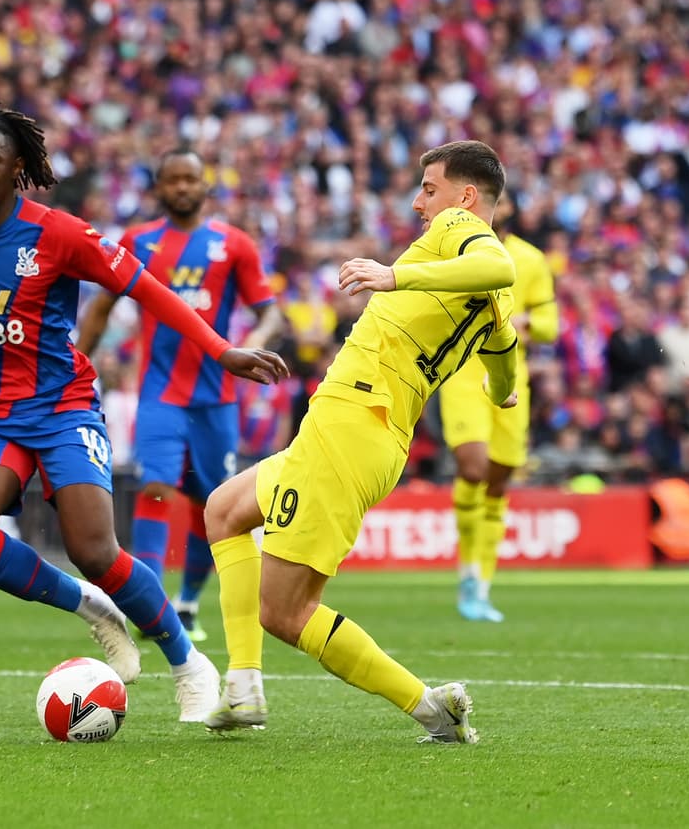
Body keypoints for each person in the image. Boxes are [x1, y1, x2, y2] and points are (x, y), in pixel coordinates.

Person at [0, 105, 288, 722]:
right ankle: (90, 606)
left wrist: (221, 349)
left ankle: (186, 659)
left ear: (18, 169)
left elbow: (148, 289)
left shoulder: (58, 233)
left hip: (62, 408)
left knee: (96, 549)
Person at [203, 141, 519, 742]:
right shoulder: (496, 308)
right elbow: (506, 364)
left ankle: (431, 708)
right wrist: (500, 390)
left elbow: (497, 264)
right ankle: (242, 687)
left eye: (429, 188)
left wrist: (393, 275)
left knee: (285, 613)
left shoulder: (459, 229)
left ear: (465, 196)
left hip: (352, 424)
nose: (419, 201)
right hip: (367, 432)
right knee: (225, 509)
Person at [76, 149, 283, 642]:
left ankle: (187, 601)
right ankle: (150, 604)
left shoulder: (233, 244)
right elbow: (102, 305)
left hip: (217, 397)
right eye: (174, 180)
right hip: (159, 393)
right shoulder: (139, 241)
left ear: (205, 185)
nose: (183, 187)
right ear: (160, 188)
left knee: (214, 504)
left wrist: (257, 339)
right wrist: (78, 365)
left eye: (191, 179)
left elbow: (270, 310)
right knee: (155, 486)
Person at [436, 191, 559, 622]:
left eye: (504, 203)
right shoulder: (456, 250)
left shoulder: (530, 260)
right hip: (463, 373)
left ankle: (480, 583)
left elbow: (550, 325)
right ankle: (468, 573)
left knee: (498, 483)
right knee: (473, 468)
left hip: (509, 374)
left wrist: (525, 322)